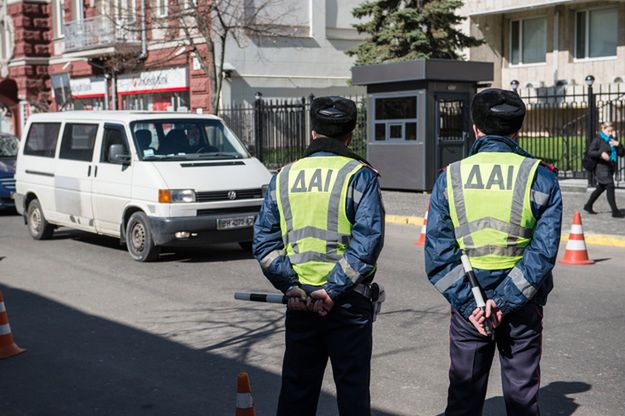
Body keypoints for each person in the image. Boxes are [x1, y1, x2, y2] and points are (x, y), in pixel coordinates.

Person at [424, 88, 563, 416]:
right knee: (522, 394)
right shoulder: (540, 177)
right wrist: (502, 303)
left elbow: (438, 254)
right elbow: (543, 252)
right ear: (518, 130)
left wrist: (472, 304)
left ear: (475, 128)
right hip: (522, 304)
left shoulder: (451, 177)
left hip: (468, 303)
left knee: (464, 393)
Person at [253, 96, 385, 416]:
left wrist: (290, 285)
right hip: (347, 301)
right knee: (352, 391)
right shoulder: (359, 175)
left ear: (313, 133)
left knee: (298, 389)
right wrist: (332, 289)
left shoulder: (284, 176)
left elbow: (264, 242)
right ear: (350, 135)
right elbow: (368, 241)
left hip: (300, 300)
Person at [583, 121, 625, 218]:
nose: (611, 133)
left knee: (601, 187)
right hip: (600, 167)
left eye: (612, 131)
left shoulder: (613, 140)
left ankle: (588, 205)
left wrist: (619, 145)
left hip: (610, 167)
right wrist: (601, 154)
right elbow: (590, 152)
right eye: (608, 131)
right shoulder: (598, 140)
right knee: (610, 185)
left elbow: (622, 154)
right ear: (603, 129)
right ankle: (615, 211)